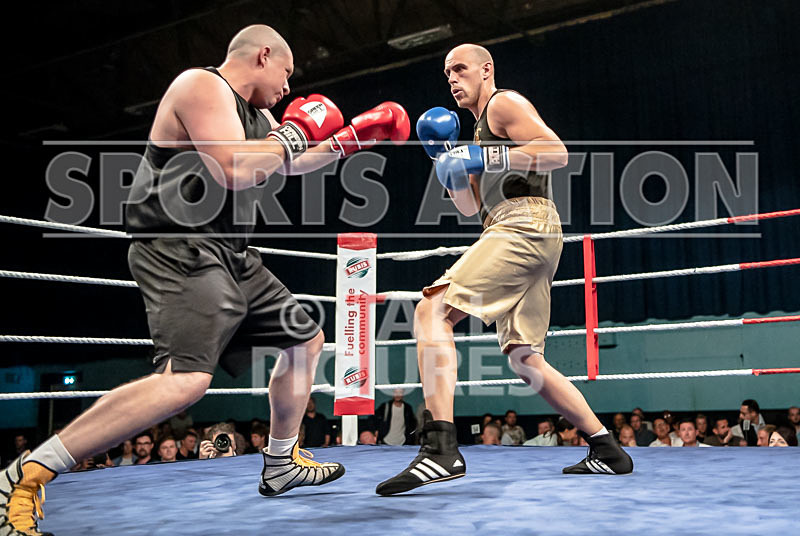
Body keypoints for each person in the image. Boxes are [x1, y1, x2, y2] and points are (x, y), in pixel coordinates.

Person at [1, 25, 411, 531]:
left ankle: (281, 463)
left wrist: (352, 138)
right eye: (285, 72)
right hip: (178, 245)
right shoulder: (200, 85)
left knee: (305, 339)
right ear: (263, 56)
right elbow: (234, 169)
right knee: (187, 380)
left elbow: (283, 166)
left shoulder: (256, 115)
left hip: (232, 254)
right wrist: (296, 131)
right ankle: (26, 473)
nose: (288, 87)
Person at [376, 44, 632, 496]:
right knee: (524, 357)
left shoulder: (503, 104)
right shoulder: (475, 134)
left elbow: (556, 153)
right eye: (446, 73)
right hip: (511, 226)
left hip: (524, 222)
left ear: (486, 69)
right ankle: (607, 448)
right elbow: (472, 205)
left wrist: (484, 158)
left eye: (460, 69)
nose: (452, 78)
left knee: (431, 311)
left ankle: (440, 448)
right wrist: (446, 163)